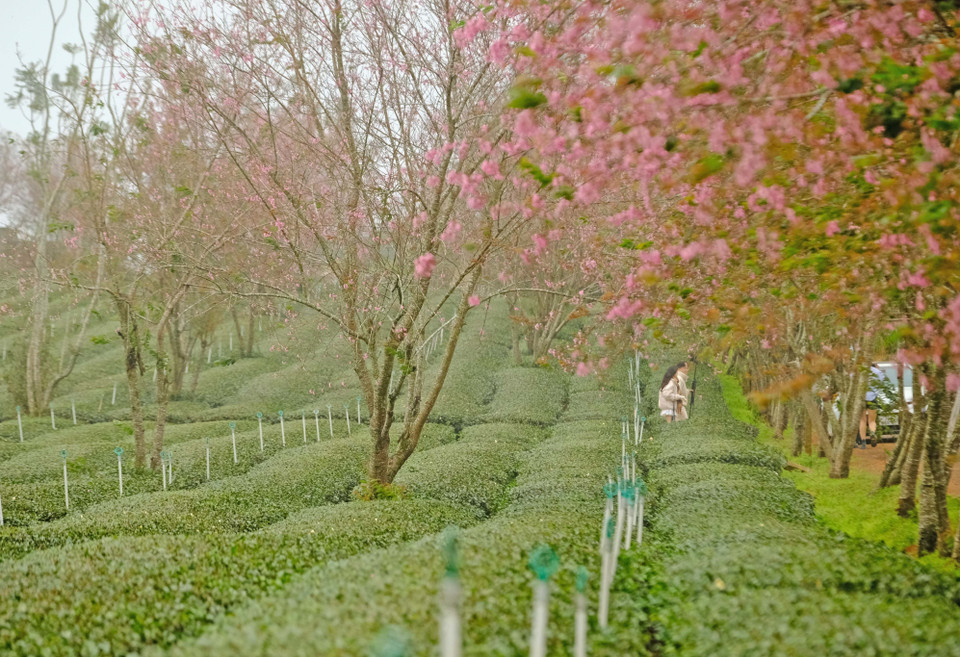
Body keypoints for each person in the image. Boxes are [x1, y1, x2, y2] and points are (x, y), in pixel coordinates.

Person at [859, 363, 885, 448]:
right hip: (872, 397)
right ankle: (872, 433)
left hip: (861, 398)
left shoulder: (858, 371)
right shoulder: (877, 372)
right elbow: (881, 383)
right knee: (872, 420)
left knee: (862, 420)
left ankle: (863, 442)